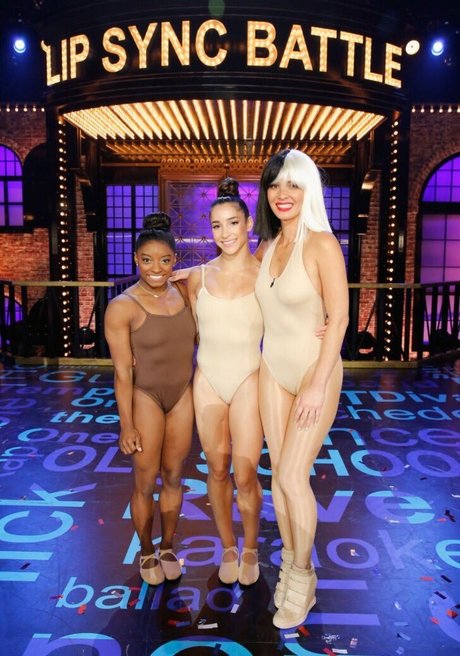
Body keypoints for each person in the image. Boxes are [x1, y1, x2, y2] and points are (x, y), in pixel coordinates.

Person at [254, 149, 349, 629]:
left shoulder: (322, 244)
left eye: (292, 183)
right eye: (274, 185)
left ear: (308, 188)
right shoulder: (267, 246)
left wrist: (316, 384)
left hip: (316, 373)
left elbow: (341, 317)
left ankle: (303, 576)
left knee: (294, 477)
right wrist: (175, 276)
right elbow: (227, 272)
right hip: (273, 370)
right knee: (278, 477)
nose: (282, 193)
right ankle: (292, 563)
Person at [104, 212, 196, 586]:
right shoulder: (122, 306)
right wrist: (126, 425)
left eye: (164, 260)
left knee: (174, 476)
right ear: (135, 259)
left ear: (175, 260)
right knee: (145, 481)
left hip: (183, 395)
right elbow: (123, 373)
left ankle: (168, 546)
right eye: (146, 260)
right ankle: (146, 550)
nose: (156, 268)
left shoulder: (186, 293)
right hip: (145, 397)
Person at [186, 179, 264, 586]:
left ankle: (250, 548)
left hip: (250, 378)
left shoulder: (267, 276)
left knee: (245, 474)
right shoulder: (197, 277)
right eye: (217, 225)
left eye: (233, 222)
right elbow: (190, 330)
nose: (225, 232)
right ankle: (228, 547)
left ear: (248, 224)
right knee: (217, 469)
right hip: (208, 380)